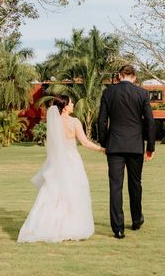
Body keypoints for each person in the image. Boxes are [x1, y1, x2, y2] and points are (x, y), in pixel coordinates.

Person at [17, 95, 105, 243]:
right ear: (65, 106)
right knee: (74, 192)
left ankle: (47, 226)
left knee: (55, 193)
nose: (73, 105)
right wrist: (102, 149)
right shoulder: (74, 122)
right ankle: (71, 226)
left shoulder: (54, 123)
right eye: (71, 103)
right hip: (72, 162)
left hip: (57, 163)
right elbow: (84, 142)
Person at [97, 64, 156, 239]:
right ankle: (137, 219)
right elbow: (150, 122)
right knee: (135, 184)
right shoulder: (142, 93)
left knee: (115, 187)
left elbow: (101, 121)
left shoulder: (108, 93)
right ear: (134, 77)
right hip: (136, 145)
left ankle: (118, 229)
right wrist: (151, 146)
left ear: (120, 76)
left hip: (114, 145)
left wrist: (104, 143)